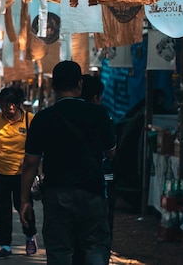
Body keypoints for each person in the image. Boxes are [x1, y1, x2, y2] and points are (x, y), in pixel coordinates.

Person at [19, 61, 116, 264]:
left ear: (53, 86)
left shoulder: (43, 118)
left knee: (60, 250)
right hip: (92, 191)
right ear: (80, 84)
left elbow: (30, 162)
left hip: (56, 192)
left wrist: (24, 199)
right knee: (95, 246)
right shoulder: (99, 114)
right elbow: (111, 152)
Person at [0, 86, 38, 260]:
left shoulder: (29, 120)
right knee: (1, 210)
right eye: (4, 104)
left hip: (22, 175)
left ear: (18, 104)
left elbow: (37, 147)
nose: (8, 108)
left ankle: (30, 235)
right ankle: (5, 245)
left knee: (24, 208)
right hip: (0, 172)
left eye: (11, 104)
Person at [80, 74, 116, 245]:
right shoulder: (101, 115)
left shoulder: (57, 113)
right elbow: (110, 152)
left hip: (62, 186)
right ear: (96, 97)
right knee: (96, 239)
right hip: (95, 184)